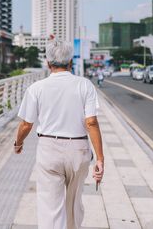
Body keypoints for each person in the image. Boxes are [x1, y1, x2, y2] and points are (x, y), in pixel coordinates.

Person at [14, 39, 104, 229]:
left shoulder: (36, 88)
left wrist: (18, 143)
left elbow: (26, 125)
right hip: (79, 150)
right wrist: (100, 159)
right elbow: (91, 122)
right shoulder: (85, 85)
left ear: (48, 63)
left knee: (50, 209)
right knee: (74, 206)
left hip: (49, 150)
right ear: (70, 61)